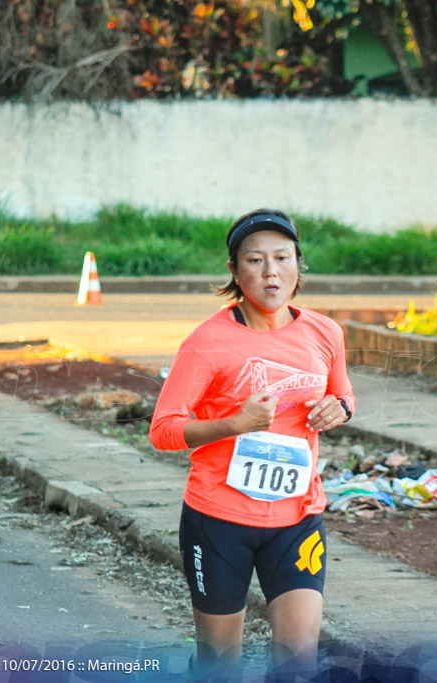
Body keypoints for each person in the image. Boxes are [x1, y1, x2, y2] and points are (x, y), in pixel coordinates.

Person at [149, 209, 355, 681]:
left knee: (298, 660)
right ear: (235, 272)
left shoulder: (325, 332)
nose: (271, 272)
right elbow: (163, 430)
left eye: (282, 258)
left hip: (297, 519)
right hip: (218, 522)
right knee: (220, 662)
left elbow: (343, 393)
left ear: (298, 265)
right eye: (255, 260)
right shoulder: (207, 342)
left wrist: (339, 408)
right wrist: (235, 423)